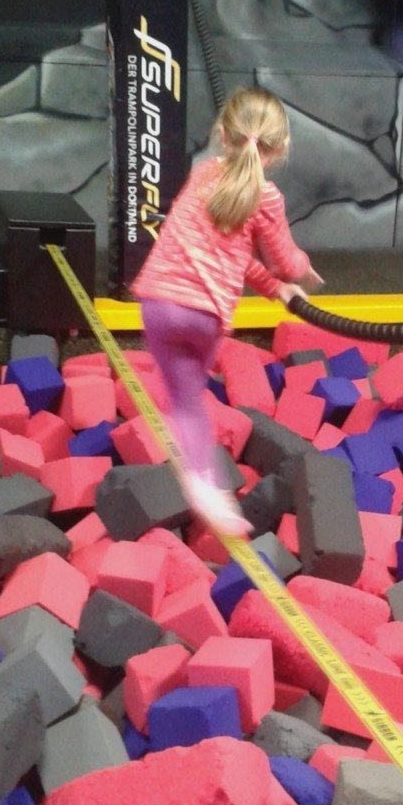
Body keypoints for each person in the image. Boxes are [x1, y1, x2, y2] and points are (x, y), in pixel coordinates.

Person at [131, 86, 323, 537]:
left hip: (158, 303)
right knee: (193, 400)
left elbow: (232, 256)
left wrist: (273, 287)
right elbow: (285, 260)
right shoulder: (265, 197)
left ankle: (200, 482)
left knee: (182, 403)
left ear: (222, 133)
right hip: (205, 317)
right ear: (280, 148)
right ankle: (208, 486)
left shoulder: (202, 173)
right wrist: (302, 273)